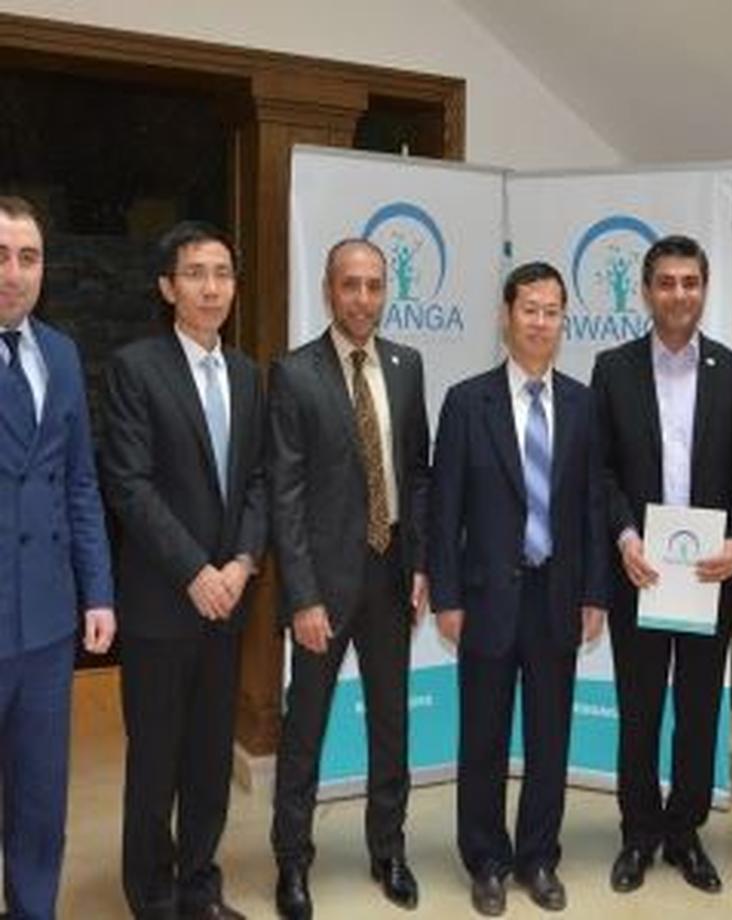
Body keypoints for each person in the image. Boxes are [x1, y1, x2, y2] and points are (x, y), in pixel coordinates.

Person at [429, 261, 608, 916]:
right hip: (485, 599)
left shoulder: (584, 404)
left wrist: (596, 593)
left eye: (551, 311)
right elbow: (444, 511)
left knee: (549, 738)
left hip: (556, 596)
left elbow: (593, 508)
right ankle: (487, 860)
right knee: (482, 737)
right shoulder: (466, 402)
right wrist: (447, 597)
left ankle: (538, 857)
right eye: (529, 309)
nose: (540, 322)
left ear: (564, 321)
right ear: (506, 316)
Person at [101, 221, 266, 920]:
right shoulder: (135, 368)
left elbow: (258, 481)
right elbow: (129, 484)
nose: (211, 287)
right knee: (156, 760)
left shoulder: (249, 375)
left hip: (228, 602)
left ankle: (200, 882)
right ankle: (152, 894)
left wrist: (242, 563)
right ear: (168, 287)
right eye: (195, 273)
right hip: (162, 604)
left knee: (208, 758)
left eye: (223, 273)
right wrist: (196, 571)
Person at [591, 234, 732, 895]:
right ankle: (638, 834)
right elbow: (601, 469)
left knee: (696, 709)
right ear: (646, 291)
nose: (679, 294)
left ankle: (685, 833)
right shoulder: (614, 368)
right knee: (638, 709)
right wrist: (624, 535)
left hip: (710, 576)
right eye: (666, 282)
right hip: (641, 571)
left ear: (704, 289)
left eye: (690, 282)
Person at [269, 238, 429, 920]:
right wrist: (302, 596)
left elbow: (417, 475)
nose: (363, 298)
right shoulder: (293, 373)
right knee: (305, 727)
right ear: (329, 290)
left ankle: (388, 849)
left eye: (374, 285)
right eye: (350, 285)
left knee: (391, 724)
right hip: (323, 587)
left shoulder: (406, 365)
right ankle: (292, 861)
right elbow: (284, 496)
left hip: (391, 576)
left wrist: (421, 563)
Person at [0, 194, 116, 919]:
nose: (13, 272)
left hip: (46, 622)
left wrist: (96, 591)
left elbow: (79, 483)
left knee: (40, 802)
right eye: (0, 256)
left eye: (28, 257)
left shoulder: (63, 354)